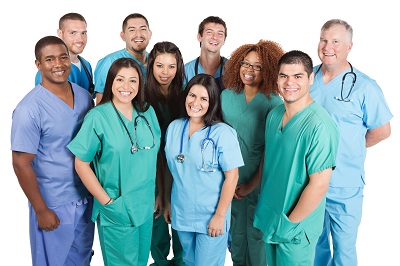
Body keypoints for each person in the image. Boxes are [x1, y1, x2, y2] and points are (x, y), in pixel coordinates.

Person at [310, 19, 393, 266]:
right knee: (314, 245)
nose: (328, 47)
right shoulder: (306, 78)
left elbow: (382, 130)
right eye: (324, 40)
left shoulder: (365, 86)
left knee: (345, 251)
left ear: (349, 46)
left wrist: (351, 148)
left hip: (344, 184)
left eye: (336, 41)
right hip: (308, 181)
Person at [67, 57, 161, 266]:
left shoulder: (147, 112)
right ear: (111, 82)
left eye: (133, 80)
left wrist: (157, 194)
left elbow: (154, 157)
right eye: (120, 80)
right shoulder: (98, 117)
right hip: (117, 207)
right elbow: (81, 163)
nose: (126, 87)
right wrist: (107, 202)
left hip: (145, 206)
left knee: (141, 261)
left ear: (140, 84)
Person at [11, 35, 95, 266]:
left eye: (63, 57)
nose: (58, 64)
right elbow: (20, 163)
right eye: (49, 59)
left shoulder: (84, 96)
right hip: (53, 202)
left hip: (85, 197)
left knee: (82, 260)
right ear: (38, 65)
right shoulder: (29, 109)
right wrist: (40, 209)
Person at [253, 50, 340, 266]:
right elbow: (271, 158)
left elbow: (319, 184)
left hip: (296, 228)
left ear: (311, 78)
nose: (289, 83)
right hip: (272, 218)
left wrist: (289, 224)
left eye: (298, 76)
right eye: (284, 76)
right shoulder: (274, 115)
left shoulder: (320, 126)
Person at [163, 74, 244, 266]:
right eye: (192, 95)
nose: (195, 103)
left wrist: (219, 216)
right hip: (182, 211)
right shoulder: (174, 127)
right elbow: (170, 169)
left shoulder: (222, 133)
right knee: (189, 262)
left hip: (211, 215)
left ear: (212, 102)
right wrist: (167, 202)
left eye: (203, 98)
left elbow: (232, 177)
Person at [220, 39, 284, 266]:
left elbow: (272, 149)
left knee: (257, 235)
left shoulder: (273, 103)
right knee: (236, 235)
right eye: (246, 64)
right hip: (229, 176)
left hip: (258, 178)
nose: (250, 70)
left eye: (258, 66)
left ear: (267, 71)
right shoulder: (226, 96)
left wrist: (252, 183)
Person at [145, 41, 185, 266]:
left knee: (181, 224)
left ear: (179, 67)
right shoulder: (142, 99)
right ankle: (160, 262)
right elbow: (156, 152)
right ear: (151, 65)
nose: (165, 72)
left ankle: (181, 262)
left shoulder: (185, 97)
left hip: (181, 172)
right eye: (160, 65)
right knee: (157, 220)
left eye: (171, 66)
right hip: (152, 172)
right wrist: (162, 193)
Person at [94, 13, 152, 104]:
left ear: (150, 34)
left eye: (143, 29)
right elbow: (101, 100)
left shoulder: (156, 61)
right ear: (123, 36)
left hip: (149, 116)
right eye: (132, 30)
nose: (138, 34)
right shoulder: (109, 61)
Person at [34, 13, 95, 98]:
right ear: (60, 33)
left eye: (83, 33)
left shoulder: (86, 65)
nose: (80, 39)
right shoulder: (49, 70)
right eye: (73, 33)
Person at [184, 16, 228, 92]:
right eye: (209, 32)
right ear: (199, 37)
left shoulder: (233, 69)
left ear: (224, 40)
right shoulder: (186, 71)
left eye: (220, 34)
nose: (215, 37)